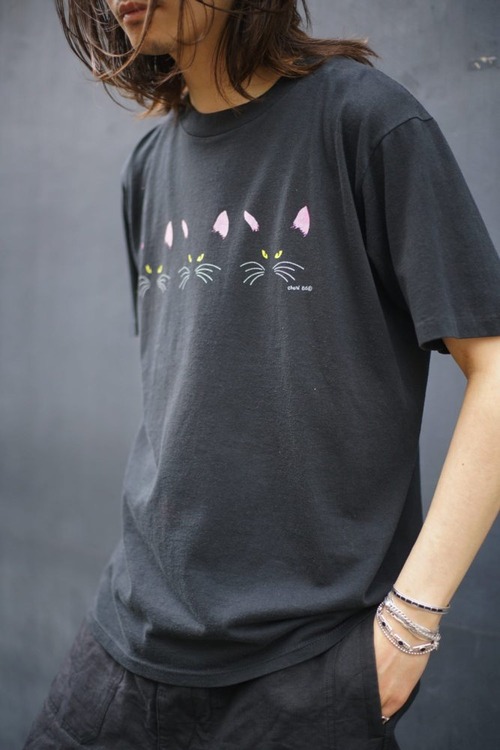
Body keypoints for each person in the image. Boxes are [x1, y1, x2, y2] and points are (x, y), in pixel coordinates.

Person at [25, 1, 500, 748]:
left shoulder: (365, 122)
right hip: (122, 647)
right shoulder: (145, 169)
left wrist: (407, 631)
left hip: (301, 675)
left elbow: (494, 370)